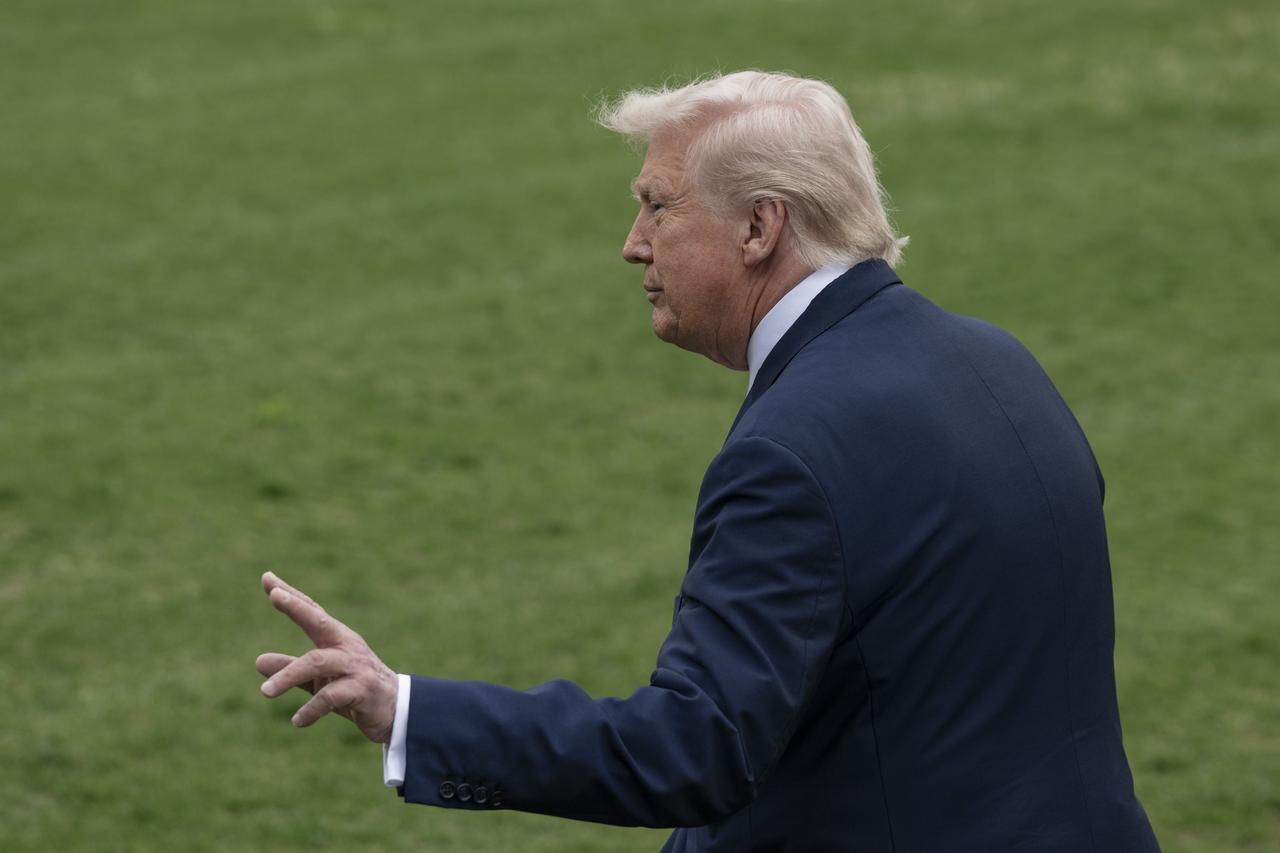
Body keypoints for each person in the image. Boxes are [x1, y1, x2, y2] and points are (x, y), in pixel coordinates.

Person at [257, 71, 1161, 852]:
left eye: (658, 204)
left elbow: (696, 747)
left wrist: (404, 707)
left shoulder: (792, 450)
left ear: (761, 226)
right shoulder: (1001, 362)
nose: (633, 242)